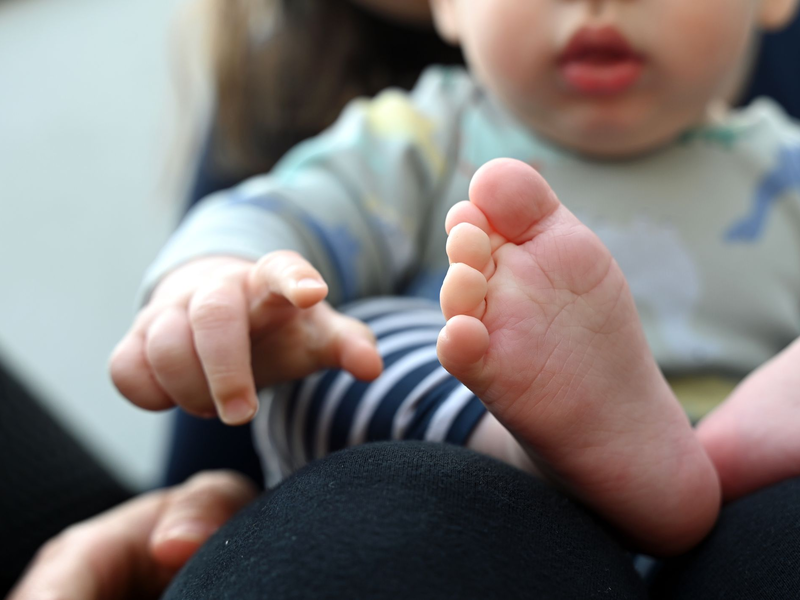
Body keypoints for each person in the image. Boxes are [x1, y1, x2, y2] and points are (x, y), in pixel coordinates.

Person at [11, 0, 800, 597]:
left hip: (723, 517)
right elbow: (270, 213)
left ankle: (701, 453)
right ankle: (537, 447)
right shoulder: (423, 138)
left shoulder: (787, 168)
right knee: (339, 341)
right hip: (476, 462)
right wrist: (213, 280)